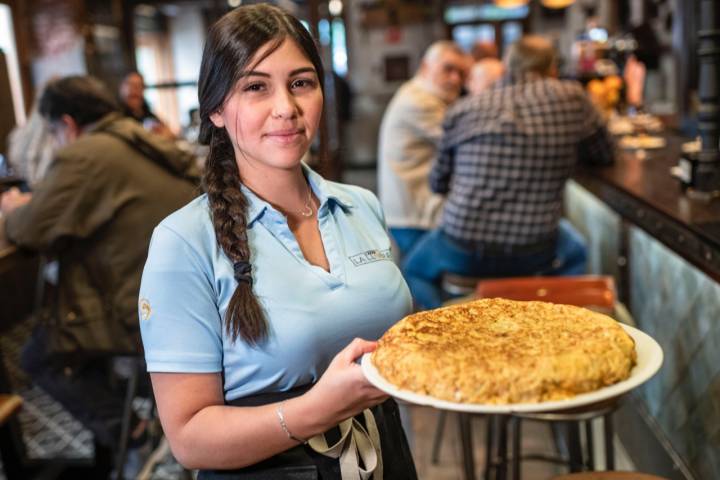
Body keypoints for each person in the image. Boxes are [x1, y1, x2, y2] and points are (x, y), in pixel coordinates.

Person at [138, 4, 416, 479]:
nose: (285, 107)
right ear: (216, 109)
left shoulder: (361, 205)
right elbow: (189, 439)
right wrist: (315, 410)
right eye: (255, 87)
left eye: (301, 83)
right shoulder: (182, 243)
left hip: (383, 456)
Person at [0, 75, 199, 470]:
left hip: (138, 308)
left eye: (53, 132)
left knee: (39, 357)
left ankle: (136, 432)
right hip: (181, 294)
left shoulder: (85, 154)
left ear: (68, 125)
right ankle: (154, 418)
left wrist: (11, 208)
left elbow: (31, 228)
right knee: (72, 344)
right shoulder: (139, 138)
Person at [402, 35, 615, 310]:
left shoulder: (464, 109)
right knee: (577, 251)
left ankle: (451, 321)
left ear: (506, 66)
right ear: (551, 68)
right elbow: (604, 153)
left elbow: (438, 183)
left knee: (411, 271)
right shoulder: (572, 97)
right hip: (532, 249)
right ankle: (552, 321)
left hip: (463, 243)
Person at [377, 40, 468, 258]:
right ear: (426, 67)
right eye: (448, 69)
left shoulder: (423, 95)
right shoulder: (421, 102)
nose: (455, 79)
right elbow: (464, 143)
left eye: (461, 73)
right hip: (415, 215)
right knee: (421, 277)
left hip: (414, 210)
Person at [118, 71, 175, 138]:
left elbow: (170, 134)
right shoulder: (117, 115)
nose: (135, 89)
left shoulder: (146, 112)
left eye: (139, 86)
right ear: (122, 87)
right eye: (131, 85)